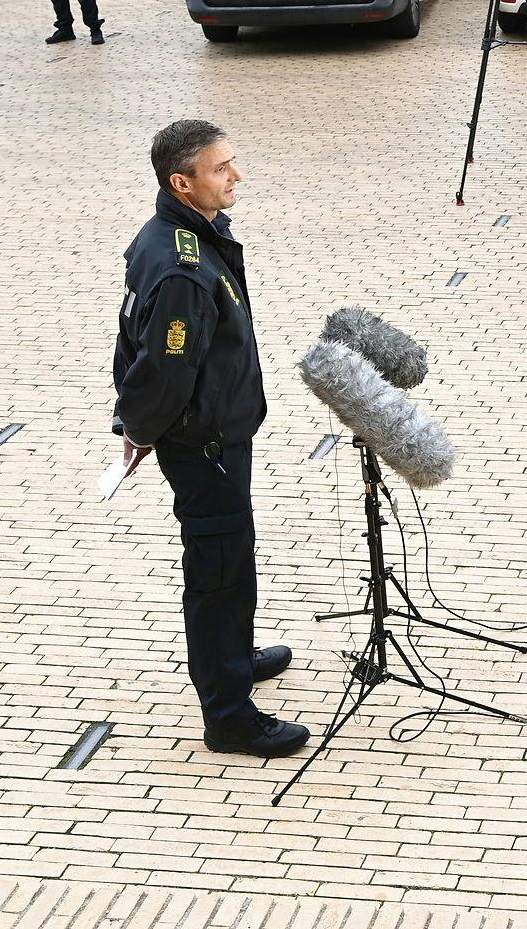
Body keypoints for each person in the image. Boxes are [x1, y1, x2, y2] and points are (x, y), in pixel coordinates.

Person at [112, 120, 308, 758]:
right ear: (182, 182)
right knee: (219, 570)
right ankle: (228, 715)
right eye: (222, 168)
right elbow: (163, 365)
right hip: (205, 446)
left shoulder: (176, 235)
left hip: (218, 433)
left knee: (234, 557)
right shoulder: (180, 266)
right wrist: (138, 430)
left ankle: (234, 656)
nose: (236, 175)